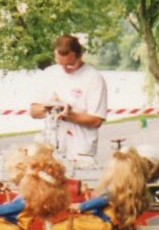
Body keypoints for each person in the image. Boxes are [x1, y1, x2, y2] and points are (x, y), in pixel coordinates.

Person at [30, 35, 108, 163]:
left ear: (80, 56)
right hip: (51, 148)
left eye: (70, 65)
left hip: (80, 150)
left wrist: (70, 115)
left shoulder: (93, 78)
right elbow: (33, 112)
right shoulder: (49, 74)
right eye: (60, 64)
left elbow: (96, 120)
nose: (65, 69)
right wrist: (49, 107)